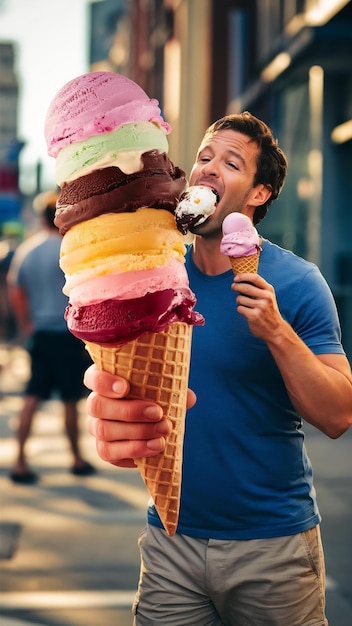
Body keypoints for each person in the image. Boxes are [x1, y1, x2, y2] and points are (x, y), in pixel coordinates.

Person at [84, 112, 352, 626]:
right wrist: (110, 403)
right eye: (204, 157)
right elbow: (123, 389)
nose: (207, 169)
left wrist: (276, 329)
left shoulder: (298, 283)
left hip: (273, 547)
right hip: (170, 542)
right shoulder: (156, 275)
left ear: (258, 194)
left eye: (230, 163)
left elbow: (339, 414)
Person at [7, 190, 95, 484]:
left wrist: (26, 325)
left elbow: (15, 289)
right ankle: (77, 458)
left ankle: (19, 461)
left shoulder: (27, 251)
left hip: (40, 334)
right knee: (70, 398)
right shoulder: (69, 250)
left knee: (32, 396)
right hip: (67, 333)